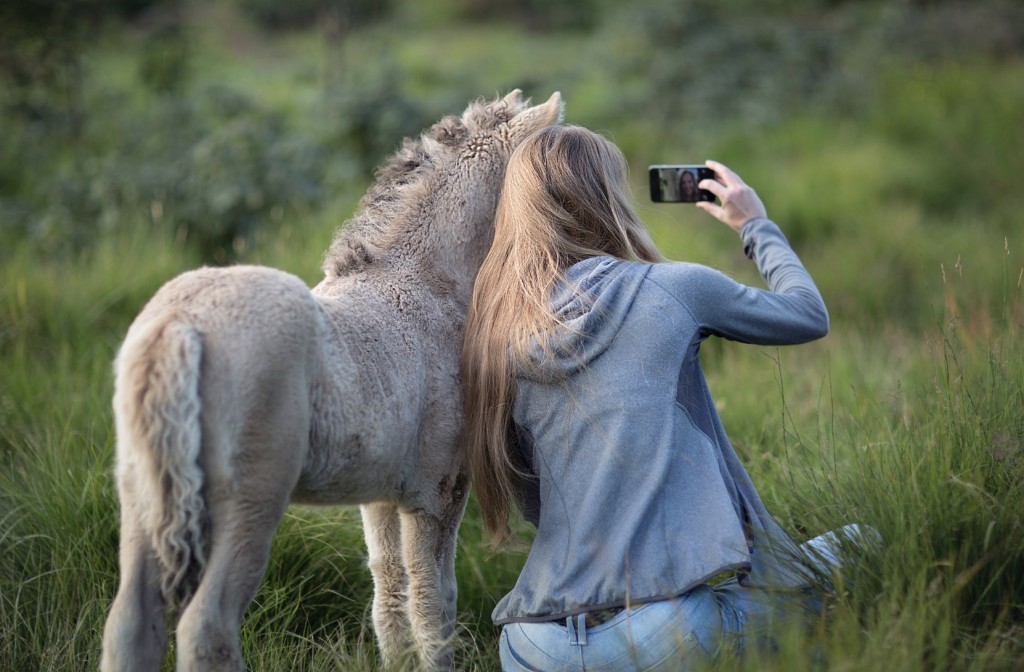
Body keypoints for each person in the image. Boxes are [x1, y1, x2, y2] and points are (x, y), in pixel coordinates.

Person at [460, 125, 869, 671]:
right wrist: (755, 225)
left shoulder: (496, 332)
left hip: (532, 648)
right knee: (863, 543)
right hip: (662, 636)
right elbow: (807, 314)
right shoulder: (673, 288)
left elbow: (533, 504)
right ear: (607, 197)